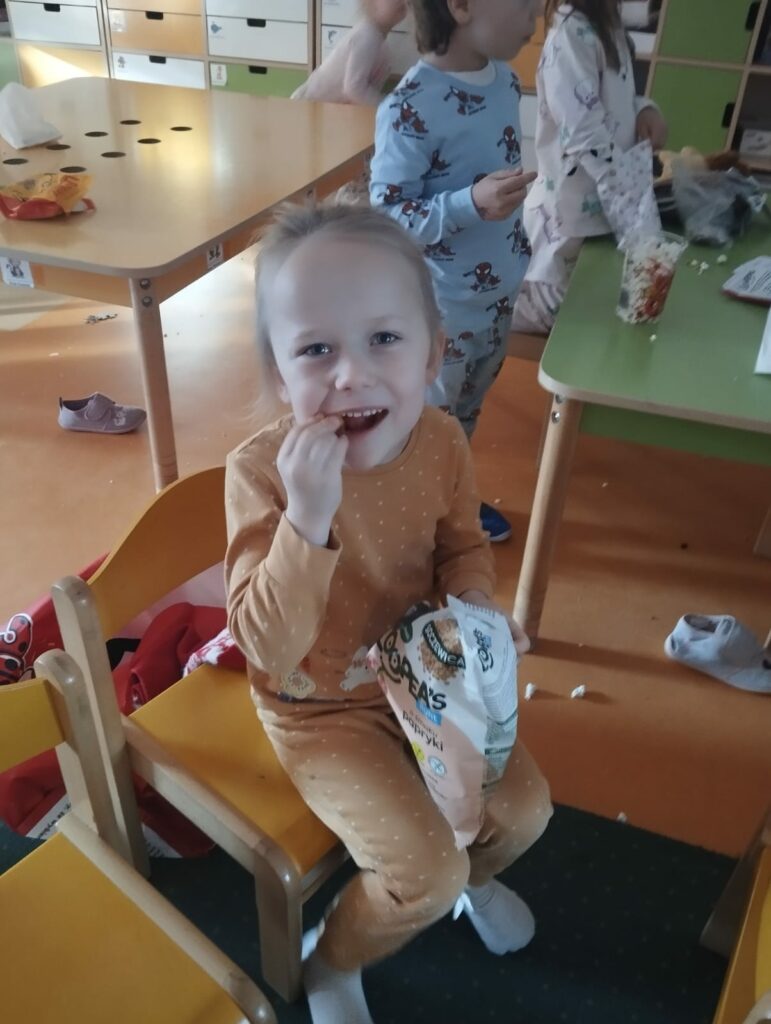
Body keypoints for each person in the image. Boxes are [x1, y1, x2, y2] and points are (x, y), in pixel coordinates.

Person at [225, 203, 552, 1024]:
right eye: (315, 350)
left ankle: (474, 882)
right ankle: (334, 957)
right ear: (279, 377)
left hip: (428, 682)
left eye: (383, 339)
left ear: (434, 352)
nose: (350, 374)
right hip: (318, 707)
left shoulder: (440, 440)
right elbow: (265, 648)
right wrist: (307, 517)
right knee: (424, 874)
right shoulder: (262, 474)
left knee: (523, 813)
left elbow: (461, 547)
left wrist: (474, 609)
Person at [369, 0, 539, 543]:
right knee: (427, 423)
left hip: (497, 296)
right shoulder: (410, 106)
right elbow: (387, 214)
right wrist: (469, 203)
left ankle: (445, 499)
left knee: (464, 414)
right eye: (524, 3)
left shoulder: (506, 81)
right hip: (443, 310)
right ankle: (408, 522)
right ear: (461, 7)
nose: (536, 16)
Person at [512, 0, 668, 334]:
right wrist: (632, 206)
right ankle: (500, 313)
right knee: (564, 318)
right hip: (567, 220)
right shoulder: (569, 33)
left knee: (598, 303)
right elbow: (582, 133)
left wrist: (644, 108)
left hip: (600, 213)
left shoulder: (607, 24)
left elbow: (612, 100)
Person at [292, 0, 408, 106]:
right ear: (371, 3)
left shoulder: (380, 44)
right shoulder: (367, 36)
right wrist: (388, 105)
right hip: (308, 106)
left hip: (329, 109)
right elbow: (354, 88)